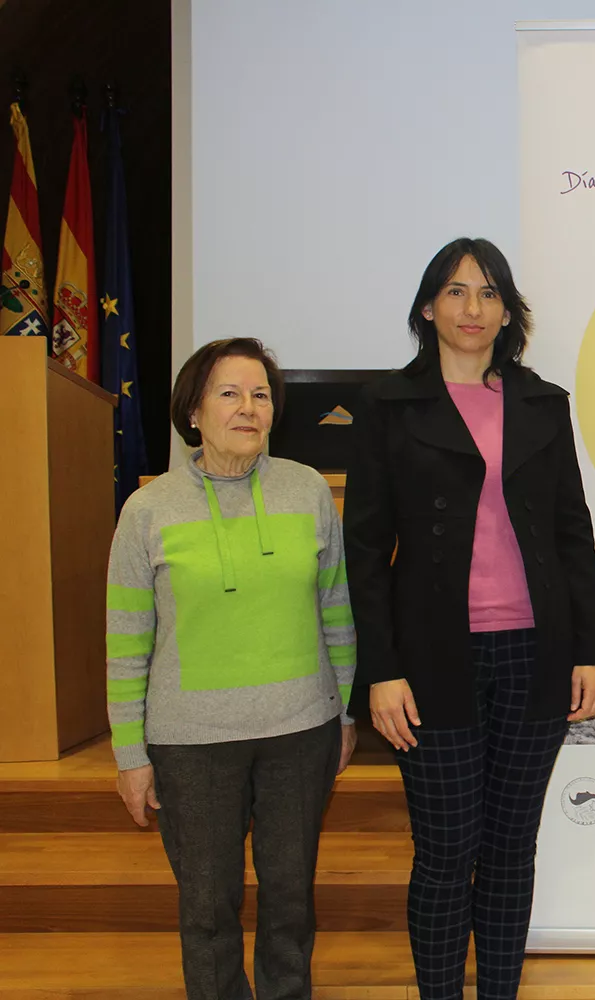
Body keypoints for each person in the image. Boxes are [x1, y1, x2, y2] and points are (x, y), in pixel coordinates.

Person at [344, 237, 595, 1000]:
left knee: (508, 849)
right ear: (428, 308)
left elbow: (571, 532)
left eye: (489, 293)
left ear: (508, 311)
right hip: (431, 660)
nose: (473, 308)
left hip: (537, 650)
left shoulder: (541, 403)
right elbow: (364, 551)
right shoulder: (386, 407)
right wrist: (381, 671)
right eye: (457, 292)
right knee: (445, 848)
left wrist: (589, 650)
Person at [105, 337, 357, 1000]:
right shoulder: (147, 510)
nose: (249, 407)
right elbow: (127, 638)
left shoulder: (306, 491)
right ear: (193, 409)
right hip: (191, 746)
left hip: (300, 735)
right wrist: (131, 752)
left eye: (262, 394)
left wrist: (346, 712)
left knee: (289, 906)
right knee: (208, 915)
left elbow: (337, 610)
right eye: (230, 393)